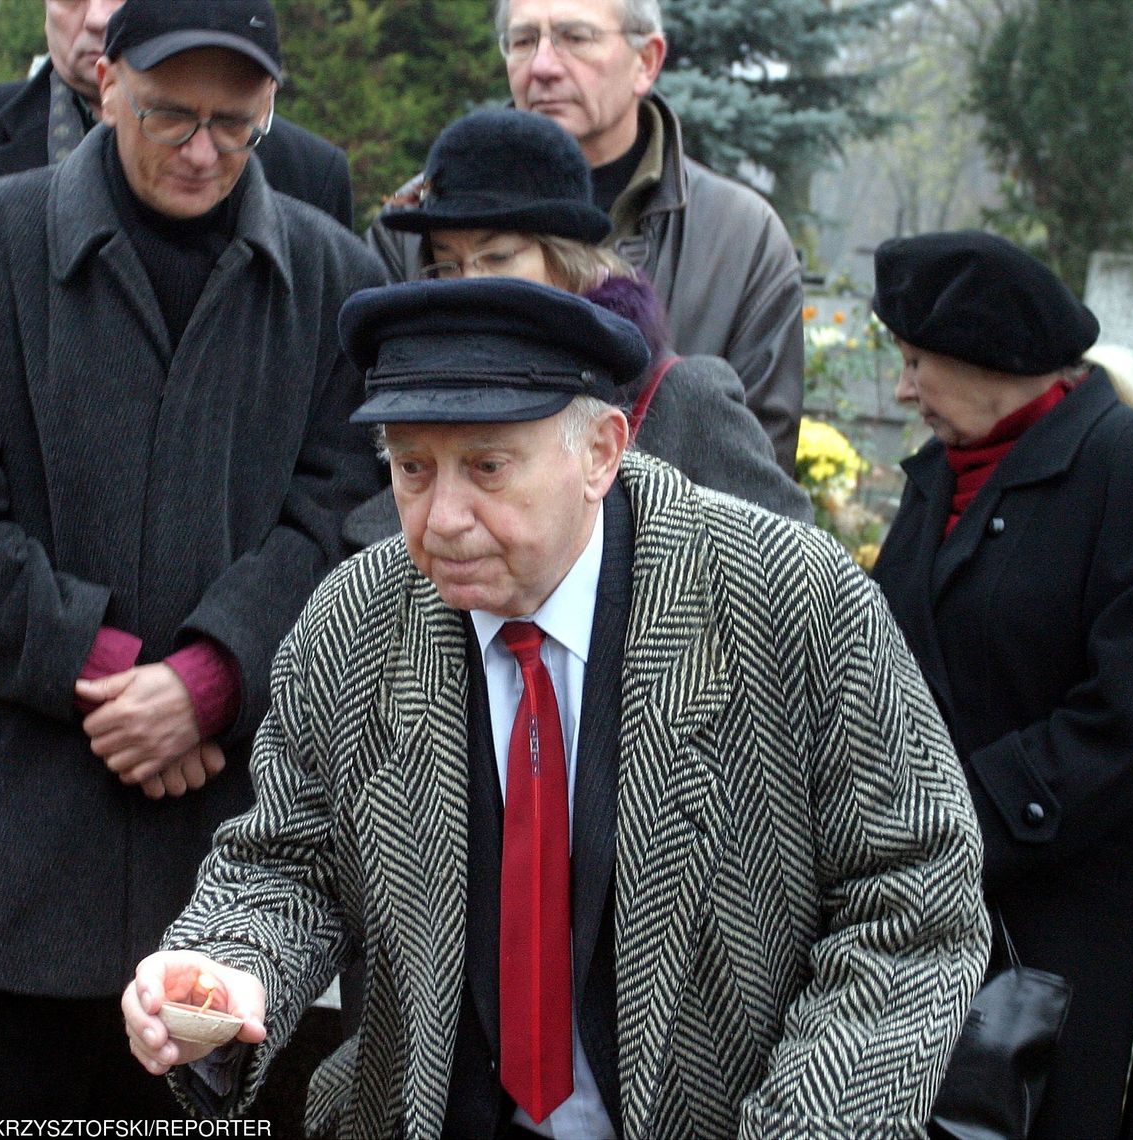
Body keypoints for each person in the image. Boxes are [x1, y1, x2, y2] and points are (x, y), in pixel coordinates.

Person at [124, 276, 988, 1137]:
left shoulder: (788, 597)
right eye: (412, 469)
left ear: (602, 452)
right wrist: (223, 975)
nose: (442, 518)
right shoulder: (355, 619)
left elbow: (915, 895)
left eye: (488, 467)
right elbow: (291, 858)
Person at [0, 0, 385, 1116]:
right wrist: (113, 672)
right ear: (105, 85)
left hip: (235, 865)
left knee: (209, 1099)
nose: (202, 150)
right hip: (24, 861)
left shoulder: (336, 280)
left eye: (234, 123)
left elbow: (346, 514)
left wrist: (210, 680)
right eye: (169, 116)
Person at [869, 230, 1133, 1140]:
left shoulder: (1125, 470)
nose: (904, 390)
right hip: (919, 907)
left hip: (1053, 932)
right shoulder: (941, 474)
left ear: (992, 362)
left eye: (917, 363)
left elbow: (1123, 716)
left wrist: (958, 825)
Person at [366, 0, 805, 475]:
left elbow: (757, 475)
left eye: (576, 38)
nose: (543, 66)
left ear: (647, 61)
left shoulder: (742, 238)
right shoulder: (411, 223)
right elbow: (367, 448)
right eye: (523, 41)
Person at [344, 108, 810, 553]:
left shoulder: (685, 398)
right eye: (448, 262)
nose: (469, 284)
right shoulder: (421, 402)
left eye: (498, 257)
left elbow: (797, 573)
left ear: (570, 264)